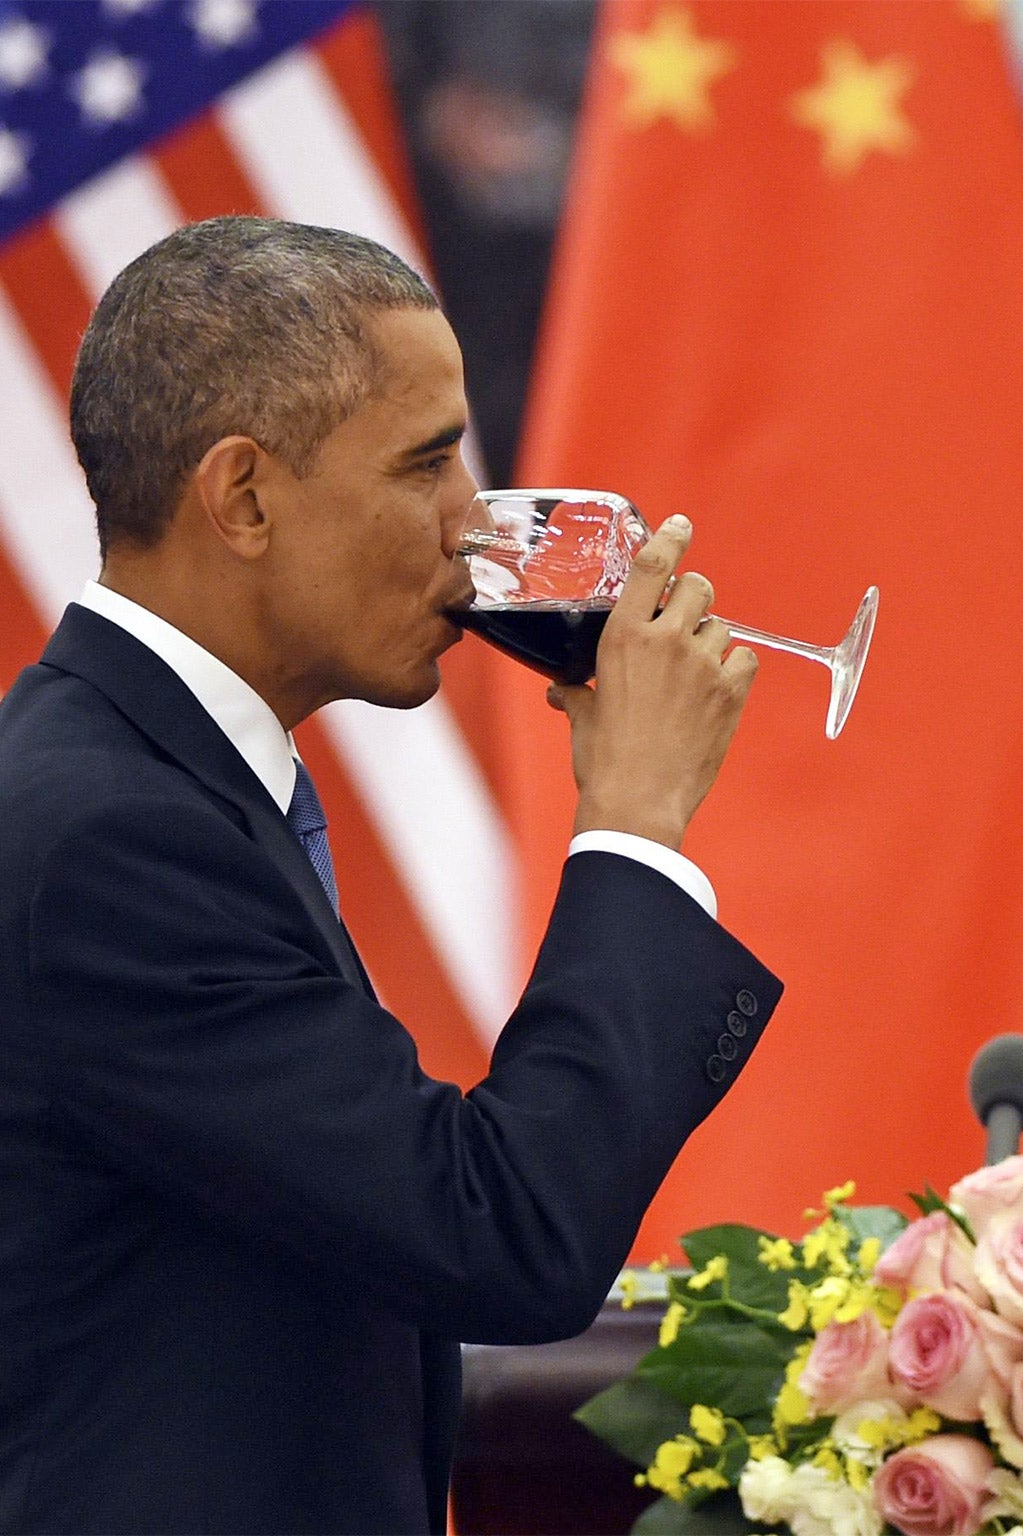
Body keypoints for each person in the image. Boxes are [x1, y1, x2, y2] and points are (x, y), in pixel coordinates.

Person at [0, 217, 776, 1534]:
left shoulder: (148, 777)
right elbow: (498, 1235)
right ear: (241, 497)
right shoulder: (111, 834)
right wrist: (635, 821)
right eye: (427, 466)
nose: (474, 523)